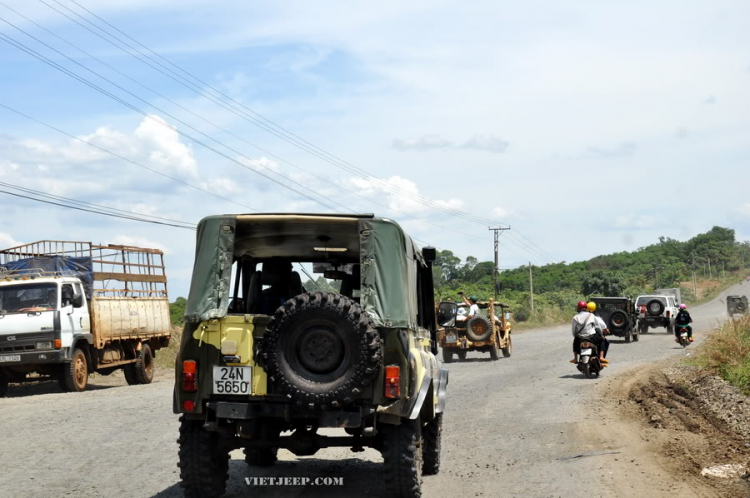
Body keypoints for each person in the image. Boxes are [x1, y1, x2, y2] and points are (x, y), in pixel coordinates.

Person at [570, 301, 609, 365]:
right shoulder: (591, 315)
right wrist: (601, 334)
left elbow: (574, 330)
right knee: (602, 340)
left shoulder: (575, 317)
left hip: (580, 338)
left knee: (575, 342)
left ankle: (575, 358)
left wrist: (575, 336)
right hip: (591, 337)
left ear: (578, 308)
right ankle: (601, 357)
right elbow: (597, 327)